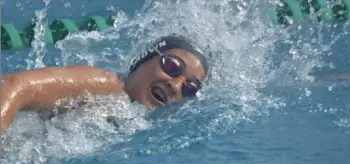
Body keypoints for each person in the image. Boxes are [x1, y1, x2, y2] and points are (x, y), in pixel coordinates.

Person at [0, 34, 209, 133]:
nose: (175, 85)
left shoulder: (149, 125)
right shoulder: (102, 84)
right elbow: (15, 85)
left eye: (189, 88)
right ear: (144, 60)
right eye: (172, 66)